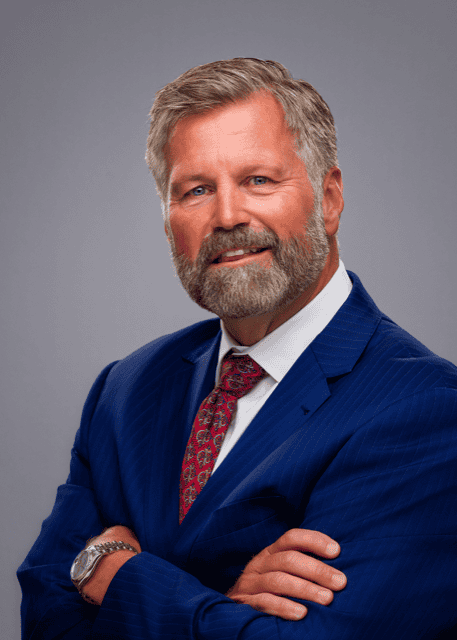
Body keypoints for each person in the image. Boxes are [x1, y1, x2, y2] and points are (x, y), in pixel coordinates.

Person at [18, 58, 457, 639]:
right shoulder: (124, 392)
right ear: (168, 218)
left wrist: (112, 570)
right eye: (196, 190)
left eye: (259, 180)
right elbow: (45, 620)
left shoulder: (426, 409)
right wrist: (225, 603)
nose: (226, 216)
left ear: (328, 199)